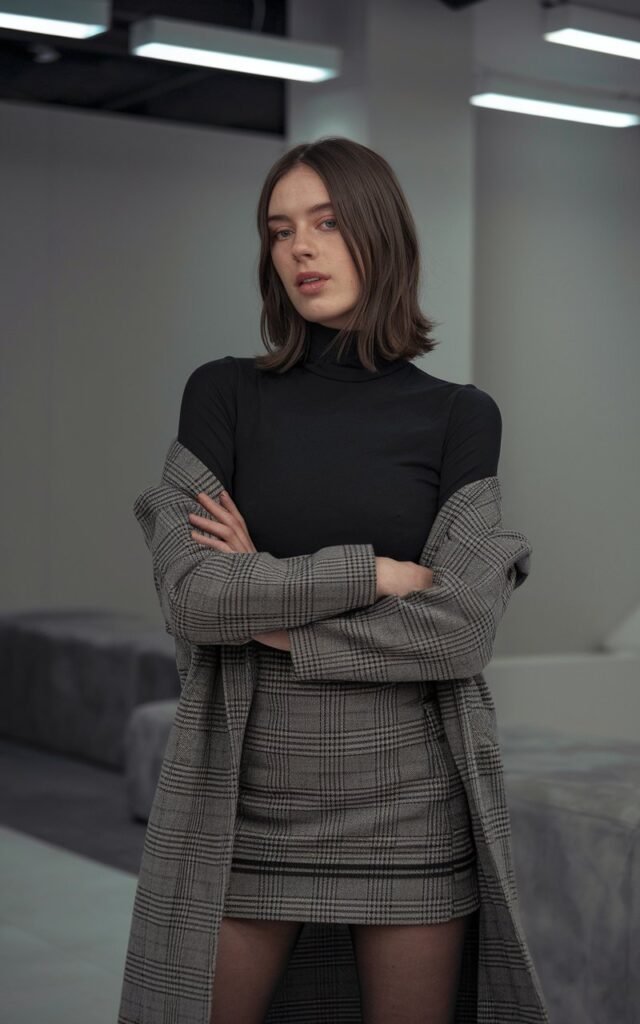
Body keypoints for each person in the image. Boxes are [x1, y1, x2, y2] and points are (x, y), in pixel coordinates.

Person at [176, 136, 502, 1024]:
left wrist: (274, 611)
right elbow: (196, 597)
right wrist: (379, 574)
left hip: (409, 799)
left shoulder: (459, 416)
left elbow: (462, 629)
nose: (300, 250)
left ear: (381, 235)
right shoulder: (224, 395)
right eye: (280, 231)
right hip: (251, 792)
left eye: (325, 222)